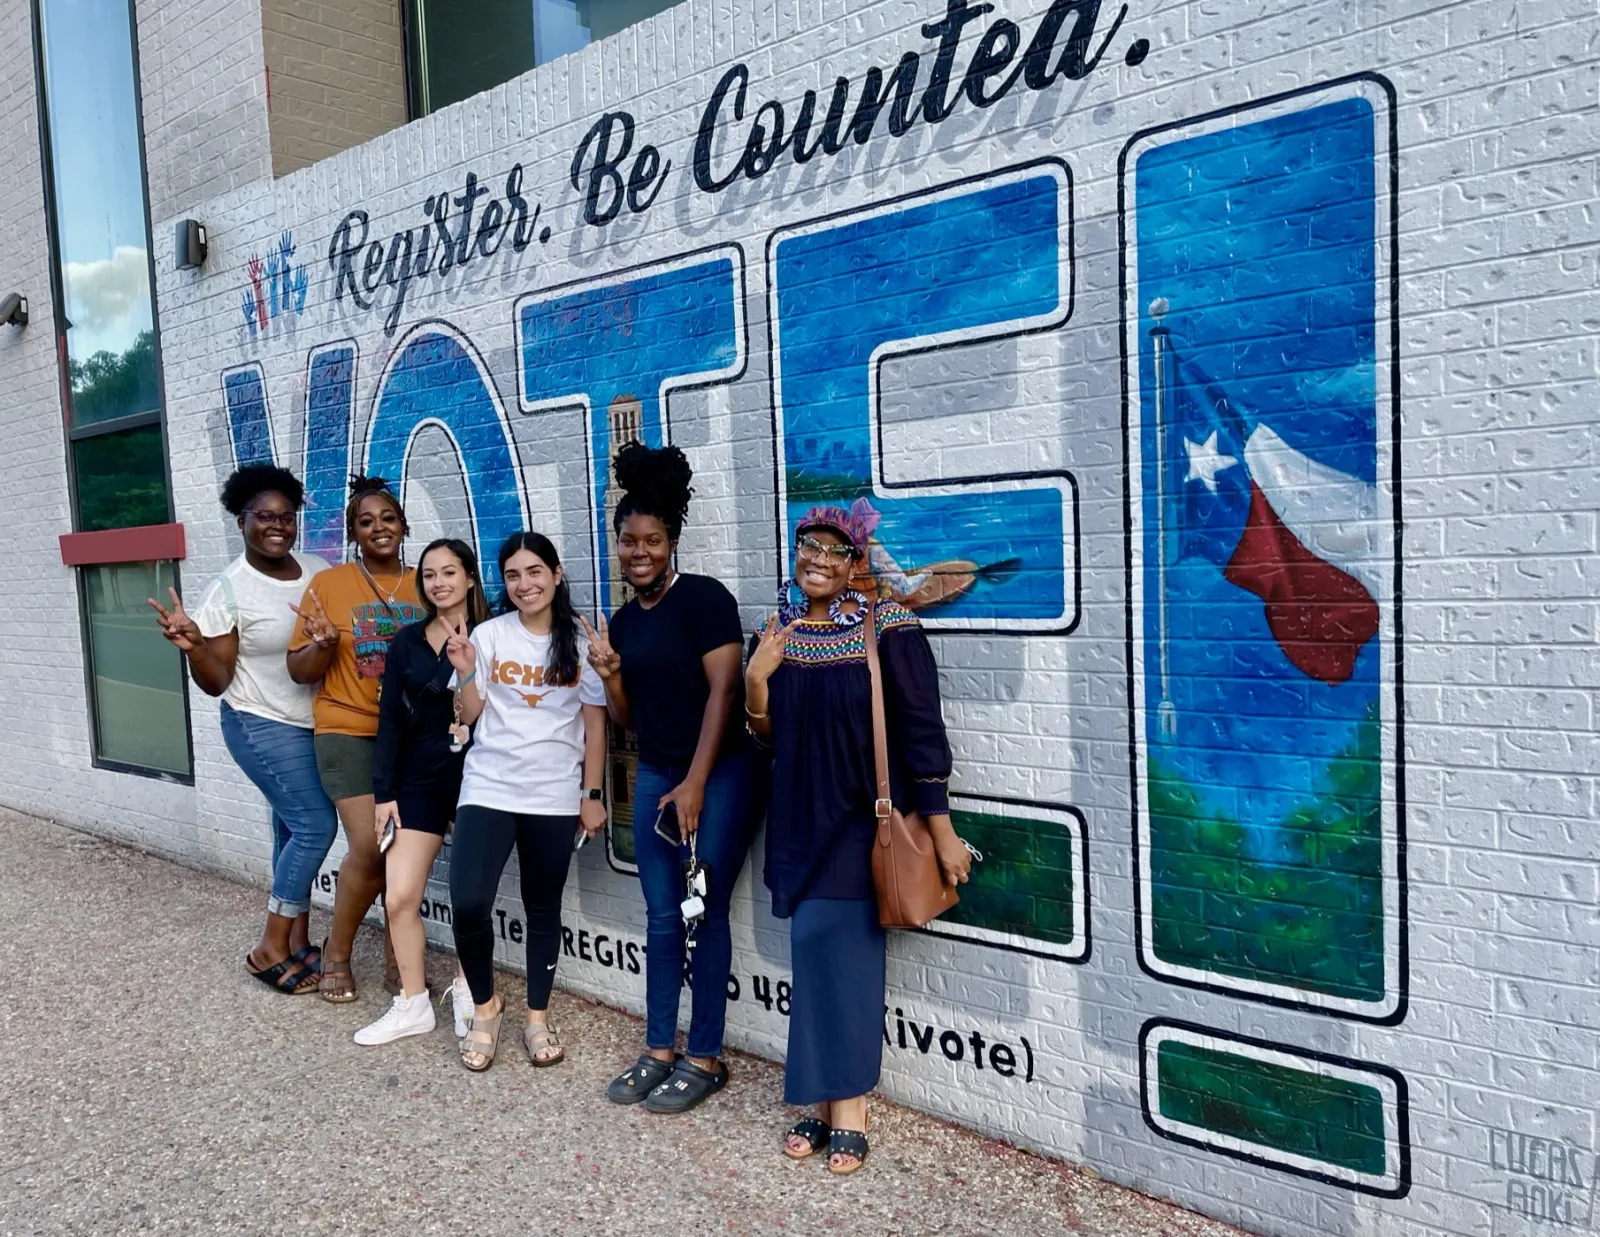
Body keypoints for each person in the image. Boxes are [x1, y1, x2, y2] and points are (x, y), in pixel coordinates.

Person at [744, 504, 974, 1175]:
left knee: (839, 952)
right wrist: (759, 680)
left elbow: (922, 733)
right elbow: (764, 736)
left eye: (831, 548)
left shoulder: (889, 627)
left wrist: (943, 830)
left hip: (862, 821)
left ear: (855, 561)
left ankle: (846, 1107)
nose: (815, 557)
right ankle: (821, 1098)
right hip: (796, 817)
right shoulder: (779, 630)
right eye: (804, 545)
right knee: (813, 953)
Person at [580, 443, 757, 1113]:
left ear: (673, 541)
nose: (639, 551)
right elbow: (627, 719)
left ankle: (704, 1055)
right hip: (656, 774)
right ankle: (659, 1047)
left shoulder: (706, 600)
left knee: (703, 912)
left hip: (721, 777)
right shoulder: (624, 621)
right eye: (629, 540)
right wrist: (611, 674)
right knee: (660, 915)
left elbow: (725, 693)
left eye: (651, 539)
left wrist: (696, 783)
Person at [149, 465, 336, 994]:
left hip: (310, 722)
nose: (277, 526)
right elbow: (217, 681)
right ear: (242, 521)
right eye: (264, 516)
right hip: (258, 722)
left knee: (289, 830)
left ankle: (298, 944)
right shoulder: (229, 588)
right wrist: (195, 648)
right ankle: (270, 947)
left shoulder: (317, 570)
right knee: (315, 826)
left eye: (287, 517)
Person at [445, 532, 608, 1071]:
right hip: (489, 787)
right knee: (468, 902)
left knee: (543, 910)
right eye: (513, 575)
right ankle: (487, 1006)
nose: (524, 584)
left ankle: (538, 1017)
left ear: (556, 574)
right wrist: (467, 668)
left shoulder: (580, 642)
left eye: (534, 572)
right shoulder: (488, 636)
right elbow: (468, 716)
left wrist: (592, 793)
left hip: (553, 796)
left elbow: (593, 723)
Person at [287, 475, 426, 1002]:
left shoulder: (426, 583)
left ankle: (400, 962)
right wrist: (321, 645)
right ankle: (338, 953)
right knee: (369, 846)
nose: (379, 528)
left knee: (404, 852)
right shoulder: (330, 586)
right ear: (353, 533)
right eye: (365, 522)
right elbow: (300, 670)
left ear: (404, 524)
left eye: (387, 518)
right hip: (347, 729)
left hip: (412, 740)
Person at [352, 538, 488, 1046]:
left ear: (469, 579)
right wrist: (383, 791)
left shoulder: (496, 635)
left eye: (450, 572)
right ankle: (412, 1002)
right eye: (430, 574)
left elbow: (488, 712)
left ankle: (469, 990)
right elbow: (389, 722)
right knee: (401, 896)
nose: (439, 582)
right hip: (419, 780)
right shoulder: (406, 641)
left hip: (481, 778)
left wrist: (467, 663)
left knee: (471, 899)